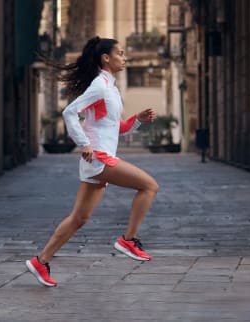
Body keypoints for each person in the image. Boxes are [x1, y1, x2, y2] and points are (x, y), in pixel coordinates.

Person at [26, 36, 159, 287]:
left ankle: (40, 261)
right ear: (106, 58)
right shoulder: (100, 85)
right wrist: (84, 144)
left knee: (79, 218)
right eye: (120, 53)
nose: (125, 57)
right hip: (99, 157)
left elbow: (115, 128)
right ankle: (128, 240)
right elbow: (69, 113)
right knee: (149, 186)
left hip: (97, 158)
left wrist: (137, 119)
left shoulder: (110, 88)